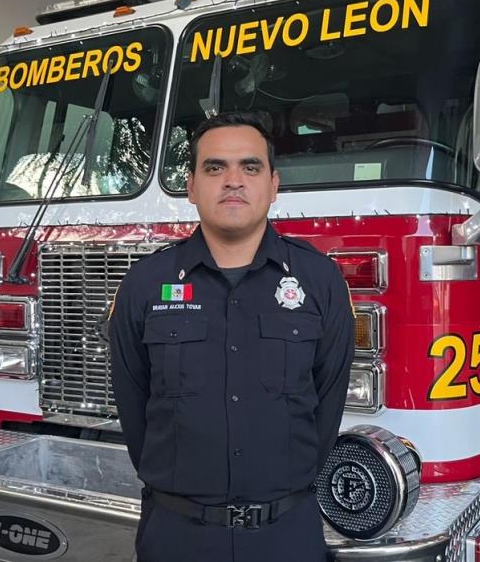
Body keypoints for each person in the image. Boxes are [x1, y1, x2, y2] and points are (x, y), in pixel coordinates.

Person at [108, 112, 355, 562]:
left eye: (251, 167)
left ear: (274, 185)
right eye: (215, 167)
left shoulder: (319, 281)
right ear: (191, 186)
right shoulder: (145, 283)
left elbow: (327, 405)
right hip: (176, 537)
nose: (233, 181)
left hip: (287, 536)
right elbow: (134, 407)